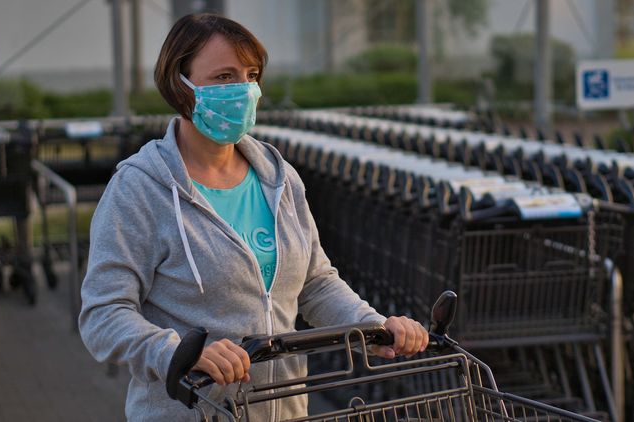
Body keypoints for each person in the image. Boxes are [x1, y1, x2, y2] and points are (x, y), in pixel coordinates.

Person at [78, 13, 428, 421]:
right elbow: (104, 313)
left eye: (251, 75)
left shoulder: (278, 179)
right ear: (180, 84)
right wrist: (174, 353)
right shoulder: (140, 189)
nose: (243, 90)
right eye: (224, 77)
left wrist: (373, 326)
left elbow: (315, 283)